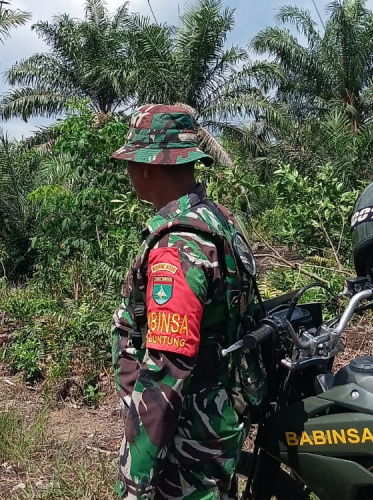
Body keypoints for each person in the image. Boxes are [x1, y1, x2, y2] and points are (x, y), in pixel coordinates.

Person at [111, 104, 262, 500]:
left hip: (185, 434)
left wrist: (135, 478)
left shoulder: (178, 246)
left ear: (147, 166)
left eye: (131, 163)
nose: (128, 173)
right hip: (216, 416)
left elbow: (167, 368)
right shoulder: (219, 220)